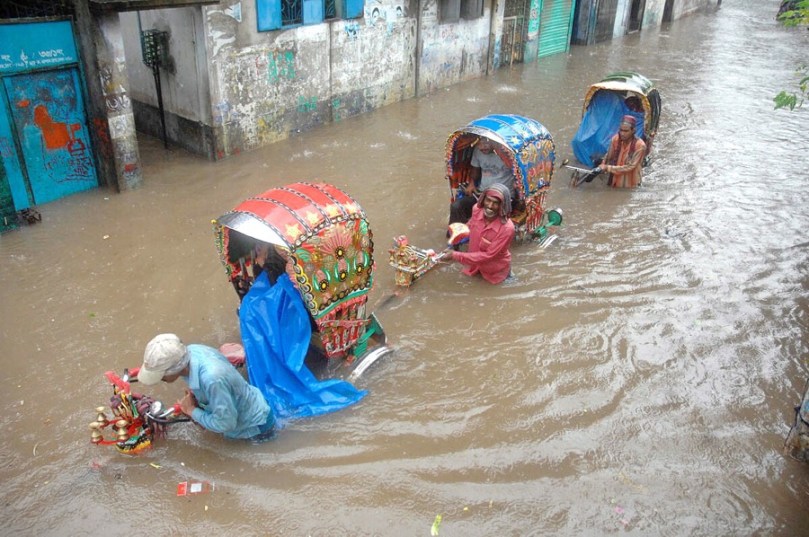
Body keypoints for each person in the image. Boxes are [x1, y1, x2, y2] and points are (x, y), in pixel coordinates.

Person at [137, 333, 276, 441]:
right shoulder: (192, 351)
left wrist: (191, 410)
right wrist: (195, 397)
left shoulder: (212, 379)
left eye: (161, 375)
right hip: (245, 401)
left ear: (174, 369)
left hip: (254, 427)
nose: (161, 380)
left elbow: (226, 424)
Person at [449, 183, 515, 284]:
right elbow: (471, 224)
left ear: (502, 205)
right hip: (474, 267)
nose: (490, 206)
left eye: (495, 203)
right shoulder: (477, 209)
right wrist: (455, 238)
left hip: (495, 273)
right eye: (488, 200)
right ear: (483, 199)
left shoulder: (507, 228)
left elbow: (489, 255)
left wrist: (455, 255)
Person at [449, 137, 516, 224]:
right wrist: (472, 184)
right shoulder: (478, 151)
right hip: (482, 193)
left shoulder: (507, 154)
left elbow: (518, 173)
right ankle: (455, 235)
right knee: (456, 206)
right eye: (480, 144)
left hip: (503, 196)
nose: (482, 147)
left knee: (488, 216)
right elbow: (475, 170)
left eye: (486, 144)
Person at [597, 115, 647, 188]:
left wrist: (607, 168)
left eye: (626, 131)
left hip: (631, 186)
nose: (622, 133)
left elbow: (630, 166)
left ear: (633, 131)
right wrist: (601, 167)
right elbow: (608, 157)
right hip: (614, 182)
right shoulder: (615, 139)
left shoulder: (640, 146)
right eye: (621, 130)